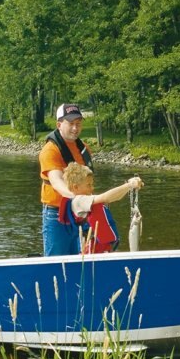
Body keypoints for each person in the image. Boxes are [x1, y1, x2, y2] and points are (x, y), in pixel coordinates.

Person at [39, 103, 93, 256]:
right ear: (59, 125)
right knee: (56, 262)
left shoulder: (84, 149)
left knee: (80, 259)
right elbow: (56, 181)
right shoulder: (50, 150)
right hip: (56, 214)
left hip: (80, 213)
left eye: (78, 124)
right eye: (70, 124)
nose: (75, 128)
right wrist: (77, 198)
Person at [59, 162, 143, 254]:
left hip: (100, 249)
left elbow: (116, 197)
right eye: (88, 185)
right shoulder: (79, 201)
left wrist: (129, 186)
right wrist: (129, 185)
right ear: (76, 187)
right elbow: (106, 197)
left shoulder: (87, 199)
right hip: (91, 251)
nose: (92, 188)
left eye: (92, 184)